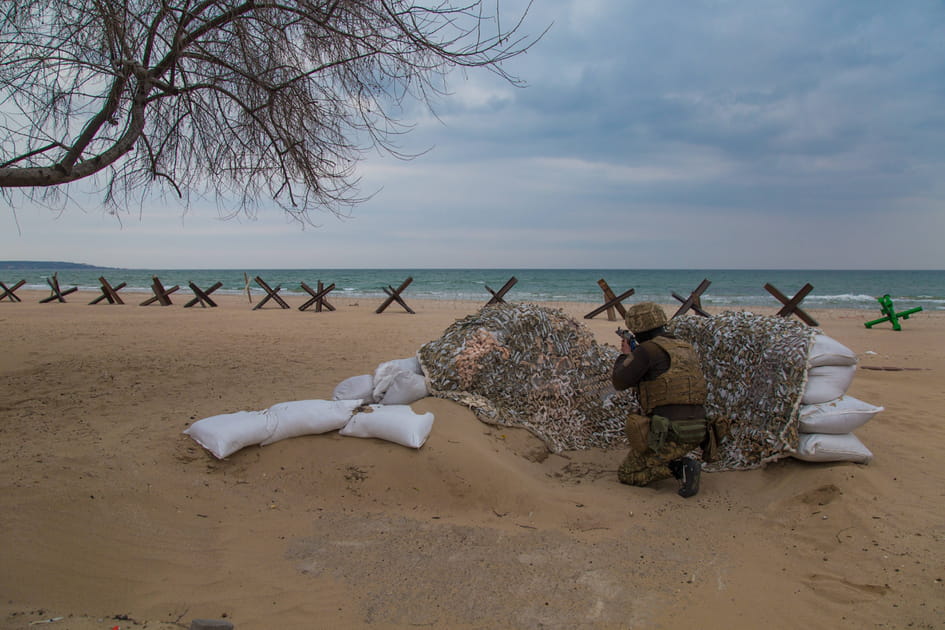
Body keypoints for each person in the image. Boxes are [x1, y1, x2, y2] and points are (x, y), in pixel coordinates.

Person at [612, 302, 709, 498]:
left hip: (670, 432)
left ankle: (679, 468)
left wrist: (625, 356)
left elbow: (620, 381)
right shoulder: (685, 347)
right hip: (699, 429)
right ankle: (678, 460)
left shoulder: (647, 350)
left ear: (638, 330)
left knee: (628, 473)